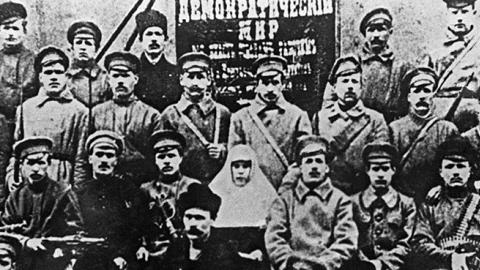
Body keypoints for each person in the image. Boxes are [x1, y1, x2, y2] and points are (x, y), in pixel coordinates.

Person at [265, 135, 357, 270]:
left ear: (327, 168)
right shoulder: (284, 201)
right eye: (308, 161)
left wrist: (323, 264)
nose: (314, 166)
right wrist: (291, 264)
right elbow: (275, 240)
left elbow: (346, 242)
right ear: (300, 168)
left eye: (319, 161)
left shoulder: (341, 201)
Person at [5, 46, 89, 192]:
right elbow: (16, 152)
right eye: (48, 72)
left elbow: (81, 158)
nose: (54, 77)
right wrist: (12, 175)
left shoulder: (79, 111)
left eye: (58, 72)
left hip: (62, 177)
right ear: (40, 77)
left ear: (66, 77)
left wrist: (77, 190)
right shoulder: (26, 108)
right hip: (30, 177)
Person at [229, 55, 312, 190]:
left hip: (289, 191)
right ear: (256, 85)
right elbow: (234, 160)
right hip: (253, 191)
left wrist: (288, 184)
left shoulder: (298, 116)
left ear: (283, 84)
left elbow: (304, 159)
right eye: (265, 83)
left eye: (275, 82)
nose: (270, 89)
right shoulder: (240, 118)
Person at [1, 136, 83, 270]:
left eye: (41, 163)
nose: (35, 169)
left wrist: (62, 251)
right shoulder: (15, 197)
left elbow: (75, 230)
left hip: (55, 260)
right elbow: (5, 233)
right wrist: (26, 242)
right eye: (31, 163)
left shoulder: (63, 193)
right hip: (23, 260)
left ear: (49, 164)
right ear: (22, 165)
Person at [313, 54, 389, 195]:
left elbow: (380, 162)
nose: (349, 87)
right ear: (334, 87)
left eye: (354, 82)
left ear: (361, 87)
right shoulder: (320, 118)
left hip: (362, 194)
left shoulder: (375, 120)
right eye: (344, 81)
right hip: (328, 194)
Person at [323, 8, 411, 123]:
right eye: (371, 30)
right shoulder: (350, 63)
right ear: (365, 33)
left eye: (381, 30)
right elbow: (328, 103)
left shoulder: (402, 68)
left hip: (390, 128)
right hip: (355, 127)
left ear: (390, 31)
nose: (375, 35)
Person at [74, 130, 145, 270]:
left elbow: (136, 227)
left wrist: (122, 254)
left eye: (110, 155)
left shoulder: (128, 190)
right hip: (88, 259)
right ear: (90, 159)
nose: (104, 160)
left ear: (116, 160)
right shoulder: (79, 193)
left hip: (123, 258)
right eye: (99, 155)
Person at [410, 136, 480, 270]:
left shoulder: (477, 202)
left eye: (461, 166)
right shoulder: (430, 206)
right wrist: (450, 258)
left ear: (470, 170)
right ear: (441, 173)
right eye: (449, 167)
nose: (455, 172)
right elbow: (420, 244)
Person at [91, 51, 161, 185]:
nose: (120, 81)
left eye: (125, 76)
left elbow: (157, 157)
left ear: (135, 79)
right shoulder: (96, 113)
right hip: (104, 182)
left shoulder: (152, 115)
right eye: (116, 76)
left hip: (140, 183)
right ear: (109, 80)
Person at [389, 67, 458, 202]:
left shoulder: (448, 130)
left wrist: (442, 187)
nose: (422, 95)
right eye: (417, 90)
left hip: (436, 202)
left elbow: (457, 167)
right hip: (402, 202)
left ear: (434, 96)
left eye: (427, 90)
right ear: (409, 96)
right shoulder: (394, 130)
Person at [160, 52, 230, 184]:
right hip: (182, 184)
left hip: (219, 183)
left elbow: (235, 145)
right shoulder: (170, 115)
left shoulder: (223, 113)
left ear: (209, 80)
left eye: (200, 77)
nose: (195, 82)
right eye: (190, 77)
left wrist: (222, 150)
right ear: (181, 80)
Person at [137, 130, 200, 269]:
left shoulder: (192, 186)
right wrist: (142, 246)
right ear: (155, 160)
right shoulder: (146, 189)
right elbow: (140, 222)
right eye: (161, 157)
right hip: (155, 251)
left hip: (184, 250)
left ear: (181, 158)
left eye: (171, 156)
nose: (167, 161)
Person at [209, 144, 278, 266]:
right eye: (236, 166)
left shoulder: (264, 192)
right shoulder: (216, 190)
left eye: (245, 166)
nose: (240, 171)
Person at [351, 142, 416, 270]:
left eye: (385, 169)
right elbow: (348, 240)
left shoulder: (406, 204)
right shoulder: (353, 203)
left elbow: (407, 244)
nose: (380, 174)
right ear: (367, 171)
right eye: (375, 169)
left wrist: (381, 264)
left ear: (393, 170)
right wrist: (365, 264)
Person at [160, 183, 254, 270]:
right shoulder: (177, 249)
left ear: (212, 220)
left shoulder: (224, 253)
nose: (192, 223)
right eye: (188, 217)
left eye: (199, 218)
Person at [422, 0, 480, 130]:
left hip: (473, 118)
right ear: (447, 14)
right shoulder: (434, 49)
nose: (459, 18)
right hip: (438, 116)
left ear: (474, 12)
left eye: (464, 12)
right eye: (454, 13)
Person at [135, 9, 180, 113]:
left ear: (165, 39)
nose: (154, 39)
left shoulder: (175, 73)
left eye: (158, 34)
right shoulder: (133, 73)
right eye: (149, 34)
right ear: (141, 40)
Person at [0, 1, 37, 130]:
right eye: (6, 28)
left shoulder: (35, 61)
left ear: (24, 31)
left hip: (28, 123)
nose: (11, 34)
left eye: (15, 29)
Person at [66, 21, 109, 108]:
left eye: (88, 43)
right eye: (78, 42)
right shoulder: (63, 76)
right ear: (72, 48)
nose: (83, 47)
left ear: (96, 49)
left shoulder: (105, 78)